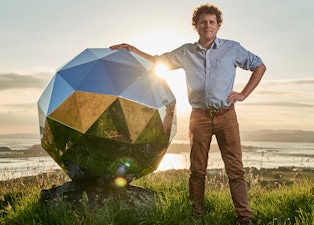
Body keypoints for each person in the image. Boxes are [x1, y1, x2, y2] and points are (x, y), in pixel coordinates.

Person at [110, 4, 265, 225]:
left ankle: (244, 218)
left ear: (218, 25)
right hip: (199, 117)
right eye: (203, 22)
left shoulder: (232, 49)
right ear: (196, 26)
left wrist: (244, 94)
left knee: (235, 170)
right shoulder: (186, 52)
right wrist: (133, 50)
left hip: (226, 116)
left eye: (212, 22)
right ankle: (196, 216)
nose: (207, 26)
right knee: (197, 170)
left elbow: (259, 65)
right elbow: (157, 61)